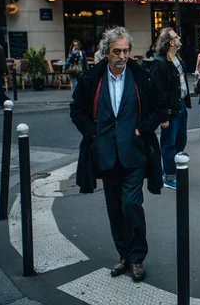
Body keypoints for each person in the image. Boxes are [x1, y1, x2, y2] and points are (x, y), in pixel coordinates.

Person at [70, 26, 167, 282]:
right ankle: (123, 255)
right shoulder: (91, 79)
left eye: (125, 50)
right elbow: (76, 110)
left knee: (132, 204)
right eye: (117, 51)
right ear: (106, 53)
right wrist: (92, 133)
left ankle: (137, 258)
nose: (122, 56)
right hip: (105, 155)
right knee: (115, 208)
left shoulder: (142, 78)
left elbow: (159, 108)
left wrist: (141, 129)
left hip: (134, 155)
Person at [150, 28, 192, 190]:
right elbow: (156, 91)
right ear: (171, 42)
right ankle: (169, 176)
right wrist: (163, 115)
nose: (179, 37)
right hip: (169, 110)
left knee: (181, 139)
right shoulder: (160, 63)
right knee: (169, 143)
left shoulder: (177, 59)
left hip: (180, 105)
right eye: (176, 36)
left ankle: (173, 168)